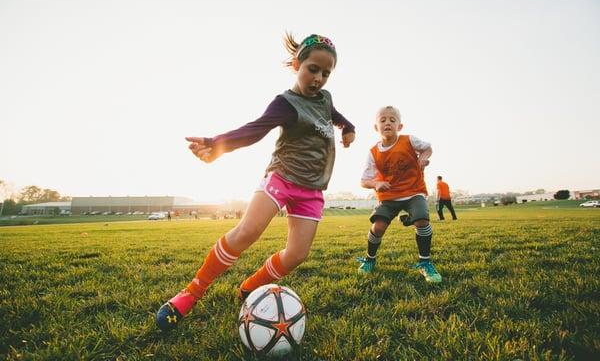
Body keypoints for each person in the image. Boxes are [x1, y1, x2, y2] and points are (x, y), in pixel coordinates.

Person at [156, 33, 355, 331]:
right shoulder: (286, 103)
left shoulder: (325, 99)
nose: (319, 78)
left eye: (326, 73)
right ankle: (191, 292)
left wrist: (349, 128)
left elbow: (337, 116)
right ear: (296, 64)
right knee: (247, 231)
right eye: (313, 69)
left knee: (297, 255)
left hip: (312, 190)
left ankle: (249, 287)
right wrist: (217, 143)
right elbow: (255, 130)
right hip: (282, 177)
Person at [356, 106, 441, 283]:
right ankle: (369, 259)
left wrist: (423, 157)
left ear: (400, 126)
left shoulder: (409, 140)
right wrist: (376, 183)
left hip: (413, 191)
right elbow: (364, 180)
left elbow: (428, 148)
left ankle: (425, 263)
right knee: (378, 226)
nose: (388, 122)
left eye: (392, 120)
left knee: (422, 220)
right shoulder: (373, 152)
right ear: (376, 127)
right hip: (389, 197)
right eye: (383, 120)